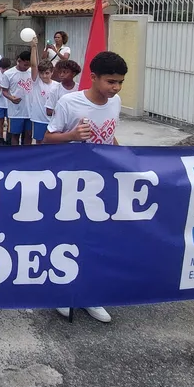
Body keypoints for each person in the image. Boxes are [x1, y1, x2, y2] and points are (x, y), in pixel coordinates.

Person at [43, 50, 128, 323]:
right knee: (67, 237)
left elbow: (110, 136)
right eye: (111, 82)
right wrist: (71, 135)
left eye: (120, 83)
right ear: (94, 78)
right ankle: (62, 291)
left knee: (96, 238)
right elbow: (47, 138)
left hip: (100, 184)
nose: (115, 88)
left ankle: (90, 293)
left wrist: (126, 159)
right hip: (69, 182)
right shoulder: (70, 102)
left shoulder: (116, 103)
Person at [26, 39, 59, 144]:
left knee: (51, 143)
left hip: (53, 120)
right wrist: (34, 47)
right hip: (39, 119)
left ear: (52, 72)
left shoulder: (57, 86)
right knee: (39, 142)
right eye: (42, 73)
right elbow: (34, 65)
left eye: (47, 73)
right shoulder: (36, 82)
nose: (44, 76)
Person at [3, 49, 35, 146]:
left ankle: (26, 156)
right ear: (19, 61)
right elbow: (4, 91)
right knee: (15, 135)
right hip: (16, 112)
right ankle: (16, 155)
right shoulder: (8, 74)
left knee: (29, 135)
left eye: (29, 65)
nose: (27, 67)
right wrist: (11, 98)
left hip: (30, 111)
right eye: (25, 65)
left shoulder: (32, 72)